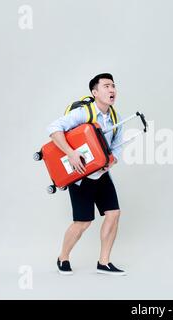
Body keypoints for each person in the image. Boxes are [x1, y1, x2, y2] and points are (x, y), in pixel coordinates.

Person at [46, 73, 126, 276]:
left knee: (113, 213)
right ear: (95, 92)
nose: (112, 90)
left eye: (113, 86)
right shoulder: (83, 113)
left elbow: (116, 149)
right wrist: (71, 154)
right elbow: (54, 128)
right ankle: (63, 257)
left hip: (102, 174)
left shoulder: (115, 118)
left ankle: (104, 262)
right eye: (106, 86)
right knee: (83, 223)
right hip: (80, 176)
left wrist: (109, 163)